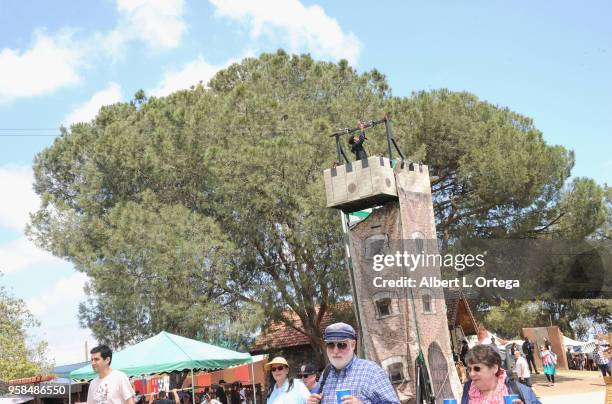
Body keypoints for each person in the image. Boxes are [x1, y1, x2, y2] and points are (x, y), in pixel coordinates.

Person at [307, 322, 399, 404]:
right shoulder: (326, 374)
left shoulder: (372, 372)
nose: (335, 351)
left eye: (341, 345)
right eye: (331, 344)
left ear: (353, 345)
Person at [461, 345, 541, 404]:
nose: (471, 374)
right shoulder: (468, 389)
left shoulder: (519, 389)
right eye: (469, 369)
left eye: (477, 369)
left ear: (494, 368)